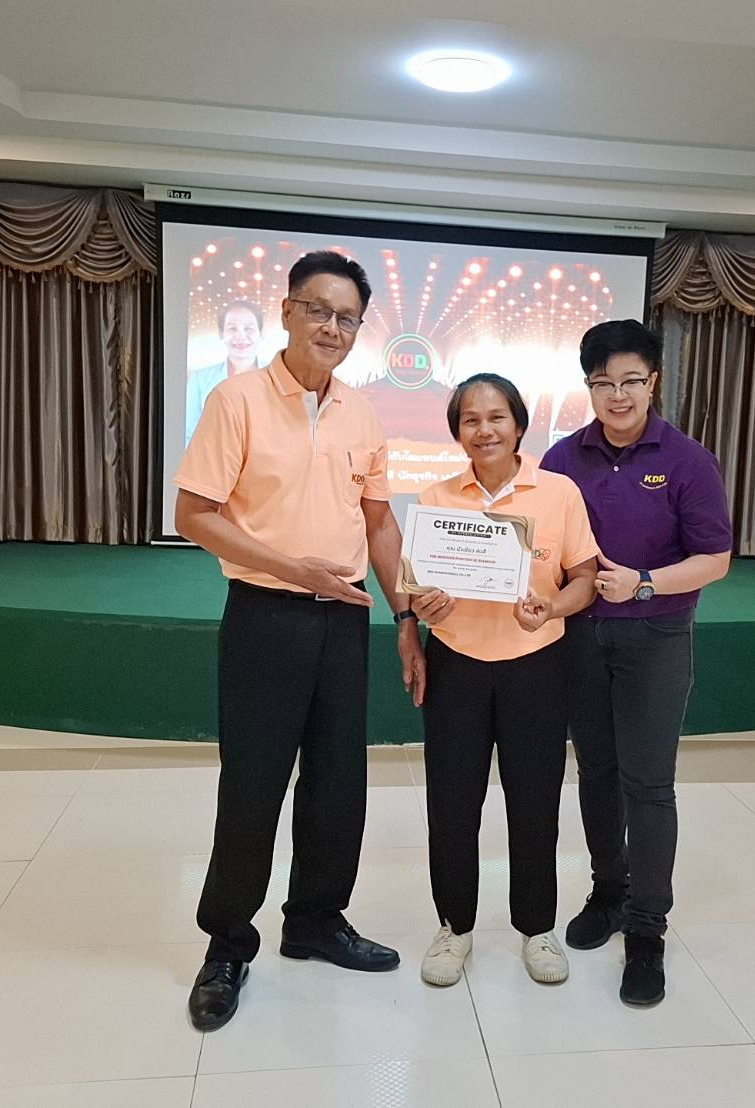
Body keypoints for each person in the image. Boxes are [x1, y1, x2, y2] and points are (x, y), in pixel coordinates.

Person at [174, 251, 426, 1032]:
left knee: (336, 781)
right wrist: (292, 569)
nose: (332, 327)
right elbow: (194, 514)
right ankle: (226, 944)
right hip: (265, 615)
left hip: (344, 619)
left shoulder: (362, 414)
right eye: (318, 310)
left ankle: (315, 920)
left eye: (347, 318)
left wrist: (405, 615)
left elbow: (378, 525)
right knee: (253, 783)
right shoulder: (237, 400)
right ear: (286, 311)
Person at [541, 319, 733, 1007]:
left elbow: (715, 559)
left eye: (630, 381)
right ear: (588, 387)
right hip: (579, 639)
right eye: (603, 383)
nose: (617, 395)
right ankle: (608, 891)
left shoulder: (687, 460)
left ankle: (647, 930)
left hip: (655, 638)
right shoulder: (562, 459)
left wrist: (644, 583)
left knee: (648, 785)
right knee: (596, 771)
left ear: (653, 382)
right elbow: (542, 547)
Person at [409, 373, 600, 989]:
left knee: (535, 800)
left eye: (496, 417)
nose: (484, 430)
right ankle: (453, 926)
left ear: (519, 424)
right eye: (470, 419)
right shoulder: (436, 498)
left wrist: (554, 607)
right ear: (457, 431)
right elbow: (416, 589)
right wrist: (423, 606)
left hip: (536, 663)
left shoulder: (558, 491)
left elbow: (584, 578)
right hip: (457, 662)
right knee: (452, 803)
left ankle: (537, 927)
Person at [185, 300, 265, 444]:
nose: (241, 336)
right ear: (221, 335)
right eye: (232, 329)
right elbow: (189, 436)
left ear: (261, 334)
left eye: (249, 328)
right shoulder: (199, 380)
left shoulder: (278, 377)